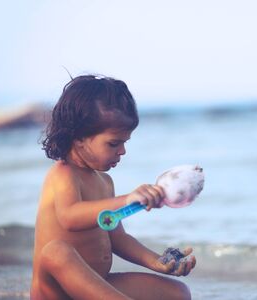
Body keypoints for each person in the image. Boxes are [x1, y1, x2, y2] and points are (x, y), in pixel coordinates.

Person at [30, 74, 196, 300]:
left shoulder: (105, 182)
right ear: (79, 138)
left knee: (178, 293)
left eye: (124, 142)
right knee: (56, 251)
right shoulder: (63, 174)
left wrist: (157, 262)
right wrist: (127, 199)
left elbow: (117, 237)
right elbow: (70, 217)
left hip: (97, 287)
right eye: (113, 143)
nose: (122, 151)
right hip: (56, 292)